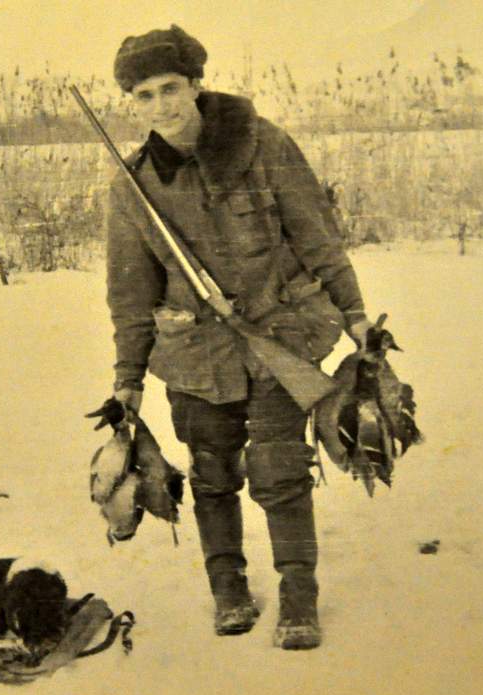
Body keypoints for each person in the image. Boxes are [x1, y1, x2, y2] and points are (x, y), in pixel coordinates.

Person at [103, 24, 372, 649]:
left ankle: (299, 596)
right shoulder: (132, 186)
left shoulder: (264, 146)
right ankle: (228, 591)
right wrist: (128, 377)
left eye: (171, 88)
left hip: (282, 337)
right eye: (144, 95)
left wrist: (355, 313)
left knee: (280, 470)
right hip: (196, 356)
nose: (161, 106)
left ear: (197, 84)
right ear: (132, 103)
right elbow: (130, 294)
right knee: (212, 473)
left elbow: (318, 238)